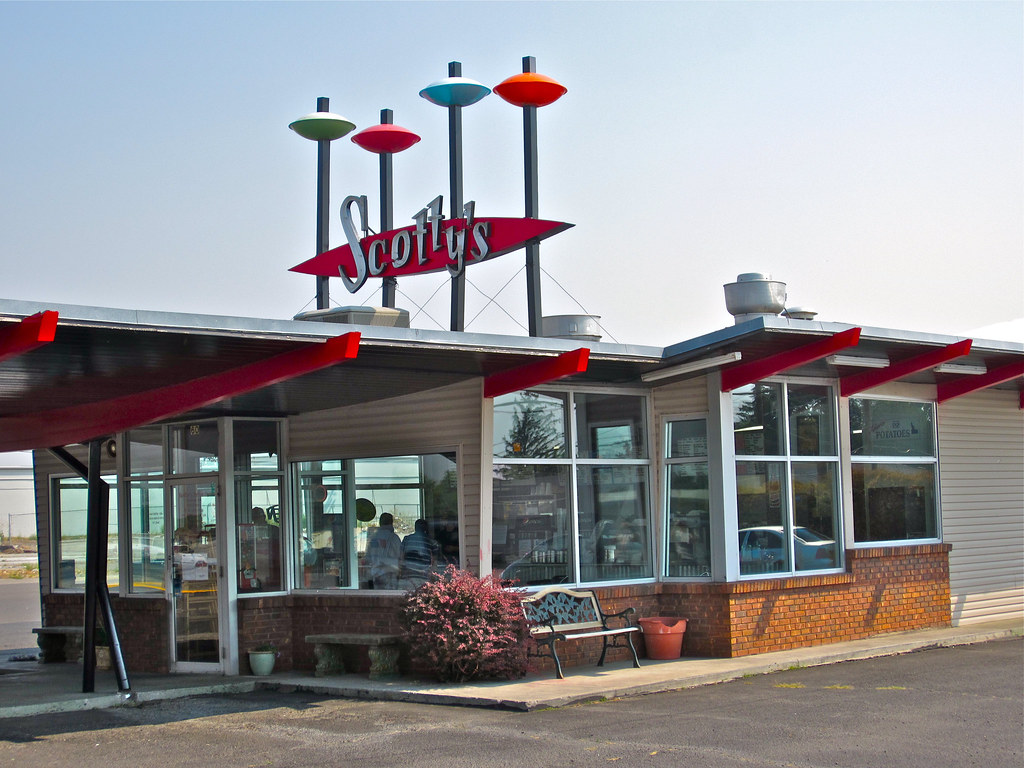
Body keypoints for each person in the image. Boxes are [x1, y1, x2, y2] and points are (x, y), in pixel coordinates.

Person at [365, 512, 401, 589]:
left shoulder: (373, 538)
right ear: (391, 523)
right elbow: (400, 556)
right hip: (391, 574)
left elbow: (368, 558)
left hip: (376, 574)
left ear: (380, 523)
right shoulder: (394, 538)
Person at [400, 518, 440, 583]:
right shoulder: (432, 541)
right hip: (423, 575)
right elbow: (434, 561)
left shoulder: (406, 539)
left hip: (408, 575)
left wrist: (401, 572)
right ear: (426, 529)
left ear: (415, 528)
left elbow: (401, 557)